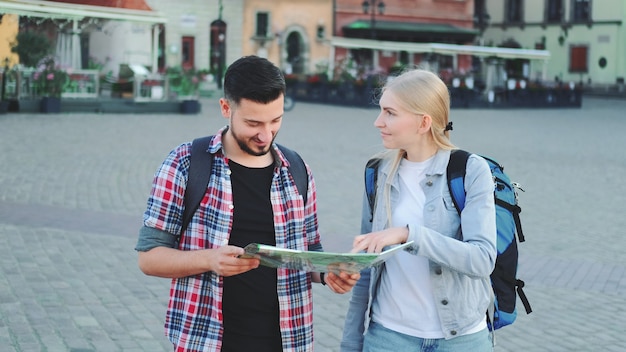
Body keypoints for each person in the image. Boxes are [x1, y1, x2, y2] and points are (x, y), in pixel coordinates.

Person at [135, 55, 359, 352]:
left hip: (287, 340)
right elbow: (149, 258)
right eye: (253, 123)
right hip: (206, 340)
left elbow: (309, 253)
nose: (265, 135)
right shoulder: (186, 163)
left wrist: (328, 273)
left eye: (275, 120)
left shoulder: (297, 169)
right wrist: (209, 259)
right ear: (226, 108)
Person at [340, 68, 497, 352]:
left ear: (423, 122)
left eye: (390, 113)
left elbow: (482, 259)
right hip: (389, 338)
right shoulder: (377, 173)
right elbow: (366, 266)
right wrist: (351, 342)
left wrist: (409, 235)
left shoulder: (470, 170)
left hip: (461, 339)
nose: (378, 122)